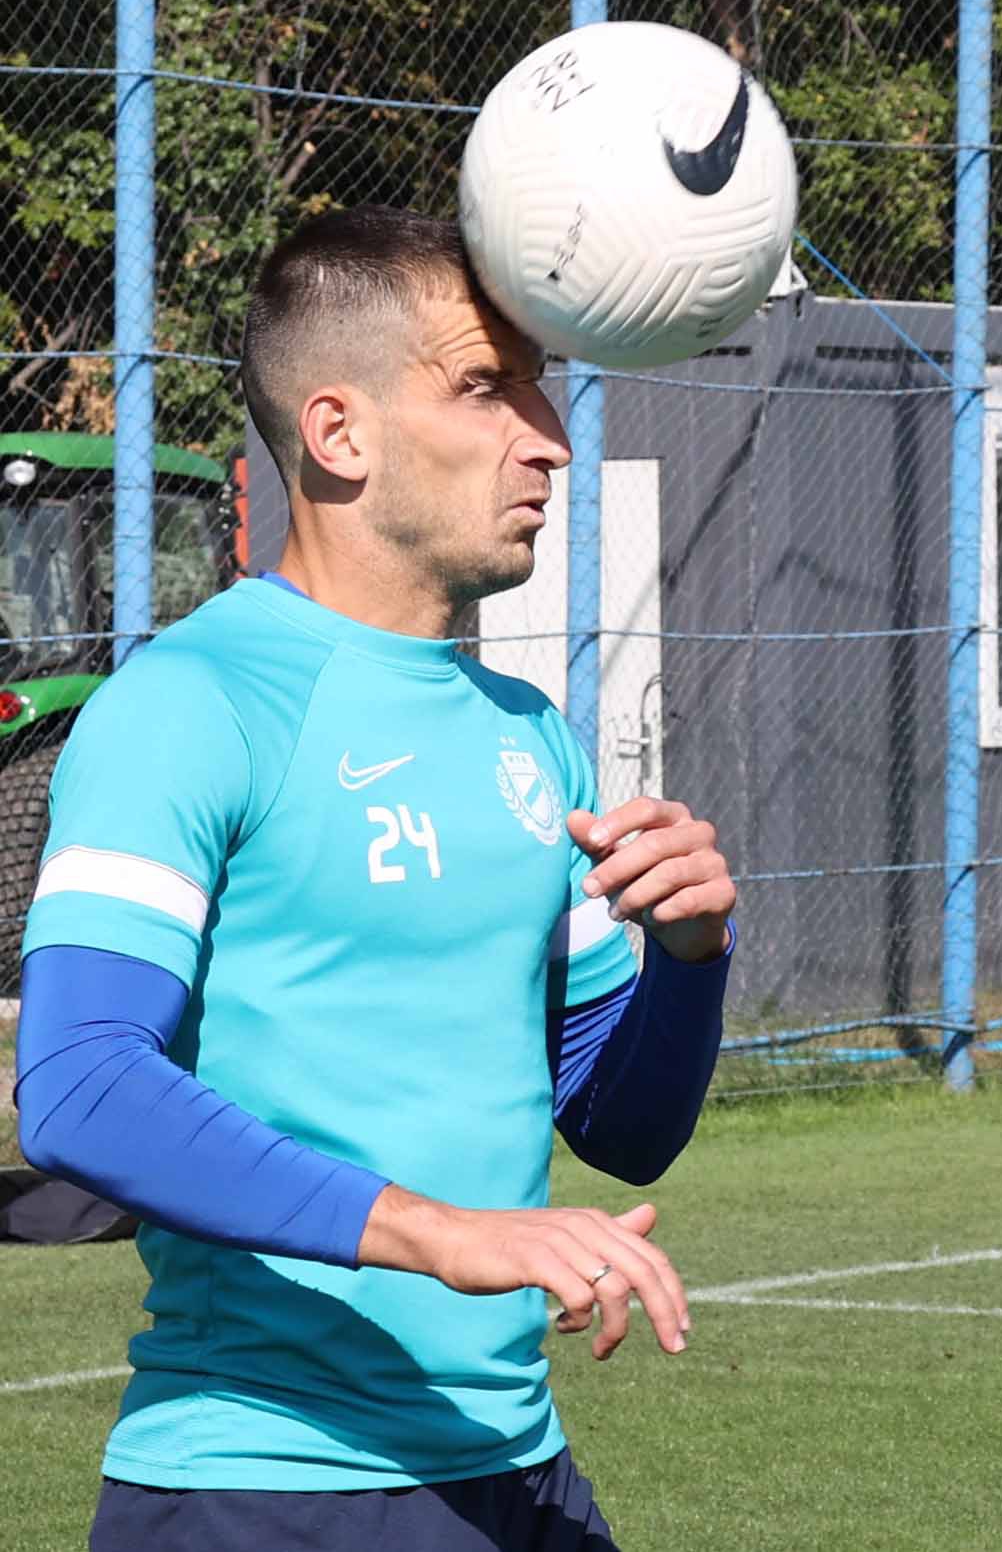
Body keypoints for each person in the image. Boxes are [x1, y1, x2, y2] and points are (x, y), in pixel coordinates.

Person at [15, 204, 737, 1552]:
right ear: (339, 435)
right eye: (486, 386)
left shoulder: (534, 736)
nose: (548, 438)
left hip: (514, 1467)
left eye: (538, 386)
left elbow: (620, 1127)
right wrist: (440, 1233)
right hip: (259, 1483)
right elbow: (80, 1086)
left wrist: (691, 962)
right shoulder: (189, 704)